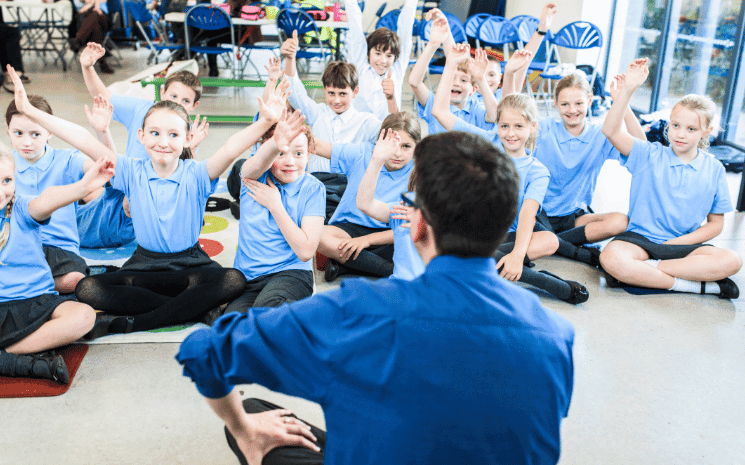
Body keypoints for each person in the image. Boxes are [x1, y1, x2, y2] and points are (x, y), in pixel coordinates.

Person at [176, 130, 575, 465]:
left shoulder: (357, 311)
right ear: (505, 224)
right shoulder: (556, 335)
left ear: (417, 223)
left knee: (254, 413)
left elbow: (203, 352)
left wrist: (245, 431)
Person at [7, 67, 280, 336]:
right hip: (144, 266)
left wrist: (265, 122)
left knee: (234, 280)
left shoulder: (197, 173)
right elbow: (83, 139)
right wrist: (31, 111)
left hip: (192, 266)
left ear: (186, 139)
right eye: (155, 133)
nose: (163, 142)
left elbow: (232, 147)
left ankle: (133, 323)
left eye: (173, 135)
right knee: (87, 289)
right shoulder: (130, 170)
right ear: (141, 136)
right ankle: (197, 310)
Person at [599, 59, 742, 298]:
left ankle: (645, 274)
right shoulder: (649, 153)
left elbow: (716, 224)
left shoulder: (714, 168)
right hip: (639, 240)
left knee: (732, 260)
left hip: (684, 244)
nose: (680, 134)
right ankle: (696, 286)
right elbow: (611, 130)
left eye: (691, 129)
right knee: (610, 257)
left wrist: (679, 243)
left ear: (706, 132)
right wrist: (627, 91)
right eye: (675, 125)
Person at [76, 43, 208, 248]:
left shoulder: (186, 132)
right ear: (162, 92)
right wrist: (87, 67)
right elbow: (102, 97)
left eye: (185, 101)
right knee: (85, 177)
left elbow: (190, 180)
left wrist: (194, 147)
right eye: (173, 96)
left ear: (194, 106)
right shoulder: (141, 109)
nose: (178, 103)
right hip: (123, 186)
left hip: (147, 199)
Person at [0, 147, 112, 384]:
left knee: (83, 316)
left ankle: (7, 356)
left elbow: (46, 200)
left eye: (7, 180)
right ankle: (21, 361)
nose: (2, 191)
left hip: (37, 301)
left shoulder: (20, 208)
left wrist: (83, 187)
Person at [225, 109, 327, 313]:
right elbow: (257, 160)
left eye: (298, 153)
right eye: (281, 153)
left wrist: (275, 205)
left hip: (291, 274)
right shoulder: (251, 176)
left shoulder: (313, 188)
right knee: (230, 327)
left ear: (309, 154)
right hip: (249, 278)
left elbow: (306, 251)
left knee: (268, 315)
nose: (290, 162)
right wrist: (274, 141)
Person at [313, 112, 421, 282]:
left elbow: (408, 225)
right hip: (350, 228)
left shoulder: (418, 172)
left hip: (390, 233)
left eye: (406, 146)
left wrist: (367, 241)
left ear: (417, 148)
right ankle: (388, 271)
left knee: (417, 241)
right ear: (379, 140)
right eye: (392, 145)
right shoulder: (363, 152)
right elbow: (317, 146)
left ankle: (346, 263)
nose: (397, 153)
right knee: (317, 234)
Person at [6, 95, 94, 294]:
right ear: (7, 128)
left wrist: (102, 131)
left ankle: (20, 284)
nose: (26, 142)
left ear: (50, 131)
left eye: (35, 134)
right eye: (18, 133)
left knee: (75, 280)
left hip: (58, 248)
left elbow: (106, 164)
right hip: (15, 245)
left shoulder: (68, 160)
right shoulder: (5, 165)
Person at [281, 38, 381, 173]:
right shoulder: (317, 113)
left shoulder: (366, 121)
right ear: (324, 89)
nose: (337, 100)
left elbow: (391, 138)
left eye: (343, 94)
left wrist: (391, 98)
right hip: (319, 185)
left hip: (349, 186)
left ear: (355, 92)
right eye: (331, 93)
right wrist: (290, 58)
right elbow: (295, 92)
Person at [356, 129, 424, 281]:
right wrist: (377, 160)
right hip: (400, 289)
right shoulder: (405, 208)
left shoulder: (456, 214)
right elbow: (364, 204)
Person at [409, 19, 498, 135]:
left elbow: (495, 117)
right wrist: (432, 45)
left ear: (474, 89)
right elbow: (415, 82)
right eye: (452, 78)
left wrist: (480, 79)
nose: (456, 83)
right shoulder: (434, 103)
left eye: (464, 80)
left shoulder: (475, 108)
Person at [344, 0, 417, 120]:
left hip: (388, 131)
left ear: (395, 57)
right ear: (368, 54)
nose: (383, 61)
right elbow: (355, 26)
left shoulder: (396, 70)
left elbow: (406, 27)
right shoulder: (360, 67)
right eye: (378, 53)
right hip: (361, 133)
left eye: (389, 56)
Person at [68, 0, 113, 74]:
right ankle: (102, 62)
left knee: (95, 14)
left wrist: (93, 4)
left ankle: (78, 41)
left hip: (102, 18)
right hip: (82, 21)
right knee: (95, 27)